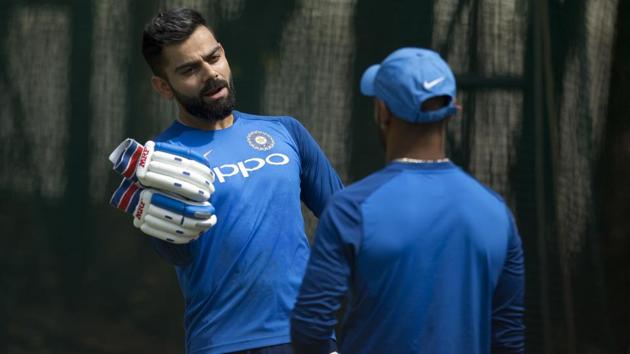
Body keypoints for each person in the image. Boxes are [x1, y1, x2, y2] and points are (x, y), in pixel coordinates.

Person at [116, 8, 342, 354]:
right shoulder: (160, 161)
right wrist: (165, 226)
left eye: (214, 57)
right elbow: (176, 254)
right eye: (190, 69)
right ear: (164, 86)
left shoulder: (286, 132)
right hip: (224, 342)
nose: (211, 74)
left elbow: (346, 222)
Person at [291, 48, 525, 354]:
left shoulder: (351, 209)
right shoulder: (497, 213)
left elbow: (310, 328)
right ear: (454, 109)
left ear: (383, 111)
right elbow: (508, 338)